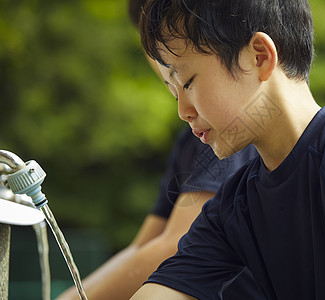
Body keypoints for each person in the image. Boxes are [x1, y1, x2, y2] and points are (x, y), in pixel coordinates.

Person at [130, 0, 325, 299]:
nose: (182, 111)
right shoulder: (234, 206)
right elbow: (163, 290)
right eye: (174, 93)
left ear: (260, 57)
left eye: (186, 82)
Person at [56, 1, 260, 299]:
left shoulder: (230, 129)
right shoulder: (193, 137)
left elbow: (175, 244)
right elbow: (143, 246)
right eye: (151, 41)